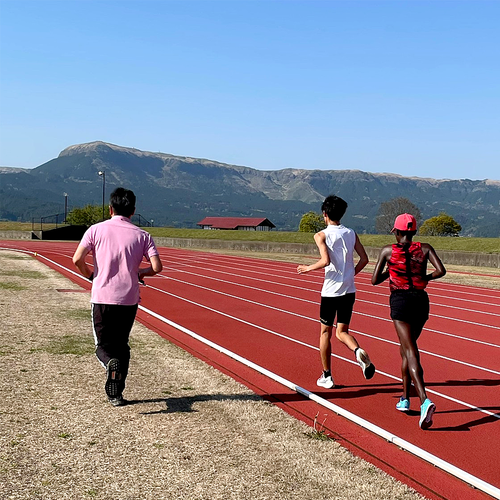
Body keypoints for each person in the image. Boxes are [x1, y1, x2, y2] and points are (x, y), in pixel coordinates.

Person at [72, 187, 163, 406]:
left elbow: (77, 259)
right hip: (128, 299)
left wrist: (92, 275)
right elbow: (157, 267)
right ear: (133, 211)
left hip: (102, 296)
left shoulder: (95, 230)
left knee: (103, 345)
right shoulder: (143, 235)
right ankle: (117, 394)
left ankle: (109, 363)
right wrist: (141, 272)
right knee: (122, 344)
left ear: (110, 209)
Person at [371, 213, 446, 430]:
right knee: (406, 349)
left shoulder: (387, 251)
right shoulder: (425, 248)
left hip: (401, 301)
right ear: (413, 232)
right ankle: (405, 398)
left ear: (397, 232)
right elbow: (441, 271)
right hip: (421, 301)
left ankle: (424, 400)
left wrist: (391, 269)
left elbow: (374, 280)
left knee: (410, 350)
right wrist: (425, 278)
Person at [297, 195, 375, 389]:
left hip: (331, 292)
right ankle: (357, 351)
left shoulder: (321, 235)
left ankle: (327, 376)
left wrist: (307, 268)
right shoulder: (351, 233)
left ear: (324, 214)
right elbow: (364, 259)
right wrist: (351, 274)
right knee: (342, 332)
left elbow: (326, 261)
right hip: (349, 290)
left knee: (325, 332)